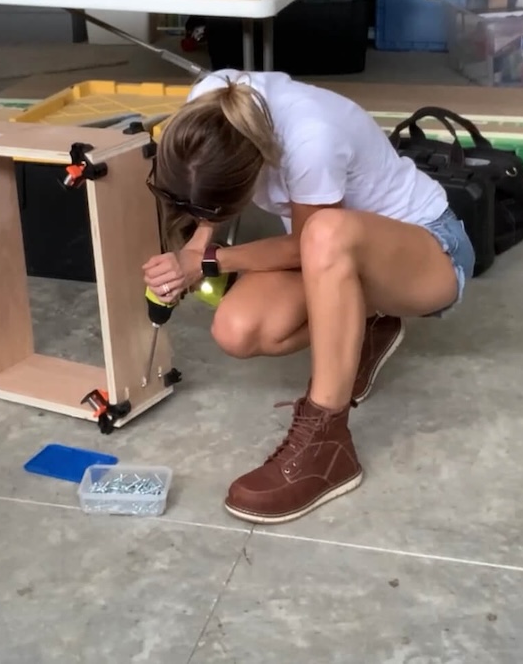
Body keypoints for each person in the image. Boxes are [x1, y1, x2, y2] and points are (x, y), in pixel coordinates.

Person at [142, 70, 475, 525]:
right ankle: (368, 323)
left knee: (324, 232)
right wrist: (196, 245)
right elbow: (209, 182)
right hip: (332, 259)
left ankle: (328, 443)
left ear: (255, 166)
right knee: (238, 329)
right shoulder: (210, 102)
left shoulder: (309, 140)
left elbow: (306, 243)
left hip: (429, 251)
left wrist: (209, 261)